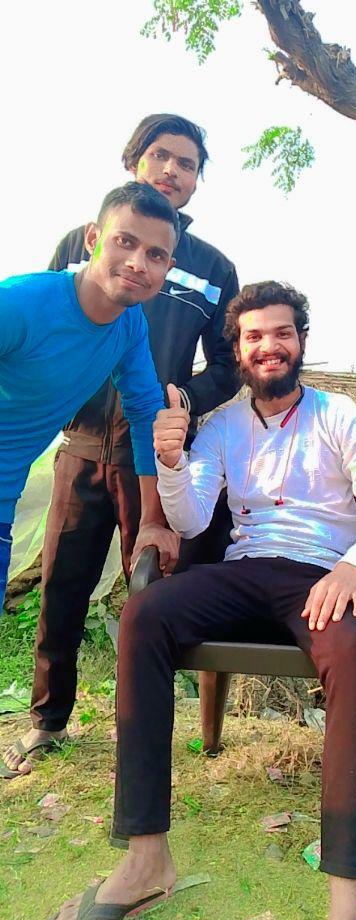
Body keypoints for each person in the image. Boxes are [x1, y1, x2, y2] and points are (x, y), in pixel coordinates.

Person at [38, 281, 356, 920]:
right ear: (237, 350)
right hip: (244, 569)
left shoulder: (340, 417)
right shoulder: (225, 425)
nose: (270, 347)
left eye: (282, 333)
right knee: (146, 613)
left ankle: (346, 914)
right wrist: (172, 463)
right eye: (254, 336)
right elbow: (190, 518)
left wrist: (354, 568)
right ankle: (146, 857)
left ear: (301, 341)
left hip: (320, 575)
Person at [2, 113, 239, 779]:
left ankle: (142, 728)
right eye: (161, 156)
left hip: (152, 452)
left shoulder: (213, 269)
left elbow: (224, 365)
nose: (172, 171)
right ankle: (48, 719)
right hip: (80, 443)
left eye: (186, 163)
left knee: (151, 589)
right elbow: (43, 330)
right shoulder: (58, 269)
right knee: (63, 585)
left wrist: (179, 400)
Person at [0, 181, 179, 618]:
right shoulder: (20, 304)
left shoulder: (129, 327)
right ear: (93, 238)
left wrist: (152, 521)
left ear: (168, 268)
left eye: (155, 254)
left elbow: (145, 415)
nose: (138, 263)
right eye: (125, 242)